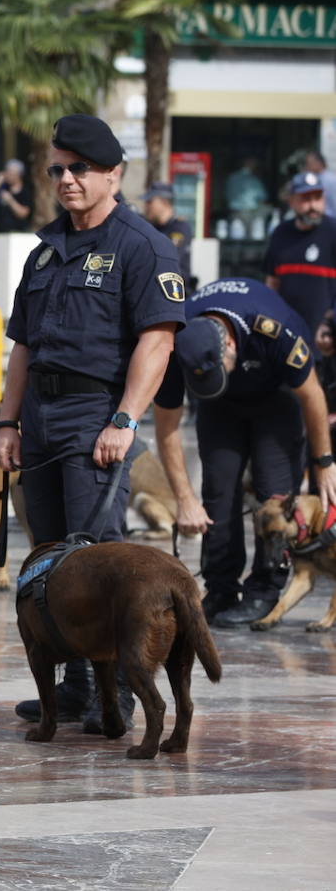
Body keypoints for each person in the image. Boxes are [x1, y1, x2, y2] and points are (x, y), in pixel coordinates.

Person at [0, 114, 184, 733]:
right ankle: (72, 688)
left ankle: (120, 693)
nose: (67, 180)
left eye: (81, 169)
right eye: (58, 169)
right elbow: (21, 343)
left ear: (114, 174)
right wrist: (7, 421)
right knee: (49, 562)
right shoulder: (47, 247)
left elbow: (156, 342)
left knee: (99, 564)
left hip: (95, 415)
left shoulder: (143, 245)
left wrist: (126, 420)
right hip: (42, 418)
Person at [153, 278, 336, 627]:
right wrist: (184, 498)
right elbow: (167, 428)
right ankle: (220, 586)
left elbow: (312, 395)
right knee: (217, 493)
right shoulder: (177, 341)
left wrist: (324, 462)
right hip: (219, 407)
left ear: (231, 345)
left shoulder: (273, 331)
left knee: (274, 494)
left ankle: (264, 591)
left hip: (277, 398)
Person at [264, 171, 336, 340]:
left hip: (326, 336)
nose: (313, 206)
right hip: (288, 334)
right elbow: (272, 283)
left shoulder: (333, 232)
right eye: (306, 199)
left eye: (317, 198)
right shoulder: (281, 233)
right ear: (292, 201)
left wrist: (330, 322)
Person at [143, 181, 193, 287]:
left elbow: (168, 257)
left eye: (150, 202)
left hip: (175, 289)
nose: (146, 206)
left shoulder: (179, 228)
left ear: (164, 202)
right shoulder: (152, 227)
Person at [0, 158, 32, 232]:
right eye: (7, 173)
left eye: (11, 174)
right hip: (0, 233)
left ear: (19, 175)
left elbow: (24, 213)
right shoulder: (3, 188)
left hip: (18, 234)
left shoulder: (25, 191)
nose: (8, 176)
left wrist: (10, 200)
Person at [305, 150, 336, 217]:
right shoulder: (311, 178)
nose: (308, 166)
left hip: (330, 218)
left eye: (310, 163)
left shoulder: (331, 179)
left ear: (319, 163)